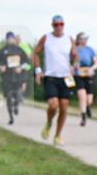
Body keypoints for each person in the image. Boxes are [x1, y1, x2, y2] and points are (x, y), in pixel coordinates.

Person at [33, 15, 77, 145]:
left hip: (66, 78)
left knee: (64, 107)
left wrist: (74, 66)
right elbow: (35, 53)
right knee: (53, 105)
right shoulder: (46, 38)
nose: (58, 27)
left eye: (61, 24)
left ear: (64, 25)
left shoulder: (69, 39)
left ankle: (58, 136)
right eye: (56, 24)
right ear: (52, 25)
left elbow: (75, 56)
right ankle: (48, 123)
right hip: (51, 77)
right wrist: (38, 71)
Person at [0, 31, 30, 126]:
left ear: (14, 39)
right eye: (8, 38)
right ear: (6, 40)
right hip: (7, 77)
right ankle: (11, 117)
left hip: (18, 77)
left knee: (18, 94)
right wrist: (0, 67)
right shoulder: (2, 51)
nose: (10, 40)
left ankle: (16, 105)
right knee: (9, 98)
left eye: (12, 38)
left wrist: (21, 67)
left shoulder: (19, 50)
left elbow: (26, 62)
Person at [73, 32, 97, 126]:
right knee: (82, 97)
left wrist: (92, 69)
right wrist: (75, 67)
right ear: (78, 40)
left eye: (85, 39)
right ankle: (83, 117)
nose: (84, 40)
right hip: (78, 75)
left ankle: (88, 107)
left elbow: (96, 63)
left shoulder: (90, 50)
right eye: (82, 39)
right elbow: (71, 63)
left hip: (88, 75)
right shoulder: (75, 50)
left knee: (89, 100)